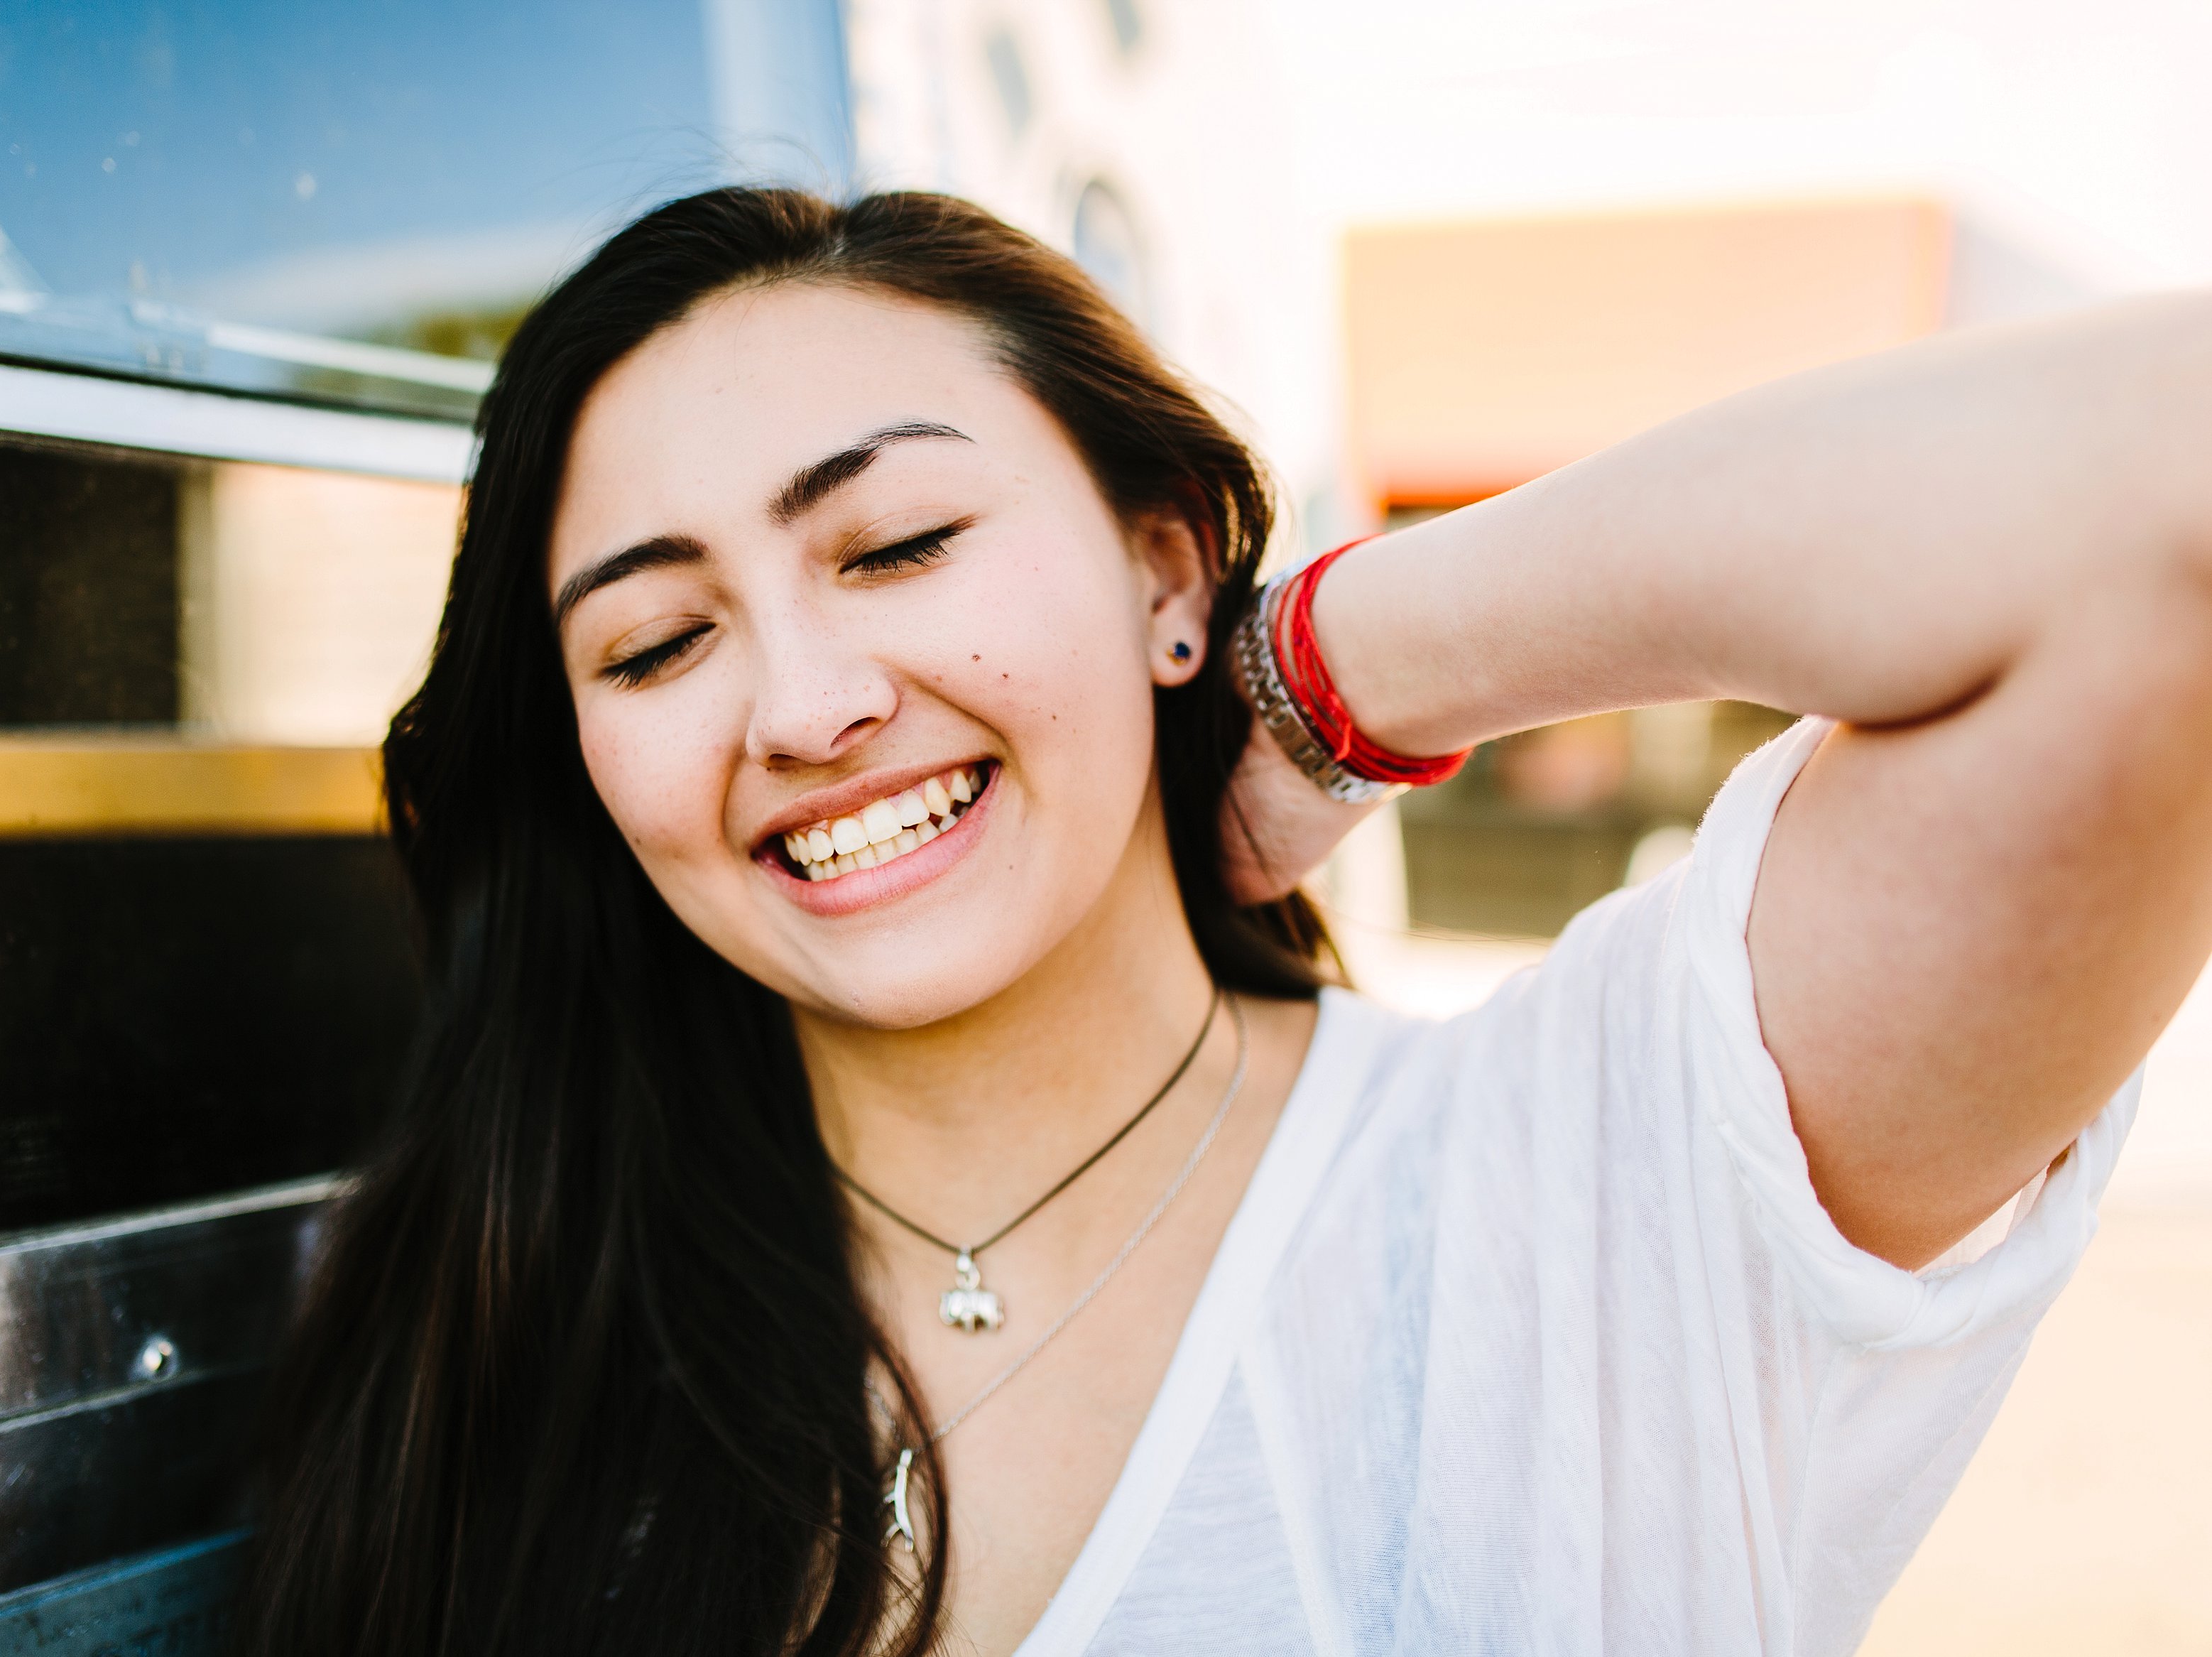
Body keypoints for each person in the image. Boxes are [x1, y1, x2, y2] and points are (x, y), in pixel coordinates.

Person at [236, 188, 2212, 1657]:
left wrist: (1335, 674)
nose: (801, 706)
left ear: (1162, 565)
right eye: (657, 642)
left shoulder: (1583, 1190)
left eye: (900, 544)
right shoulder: (481, 1305)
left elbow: (2165, 496)